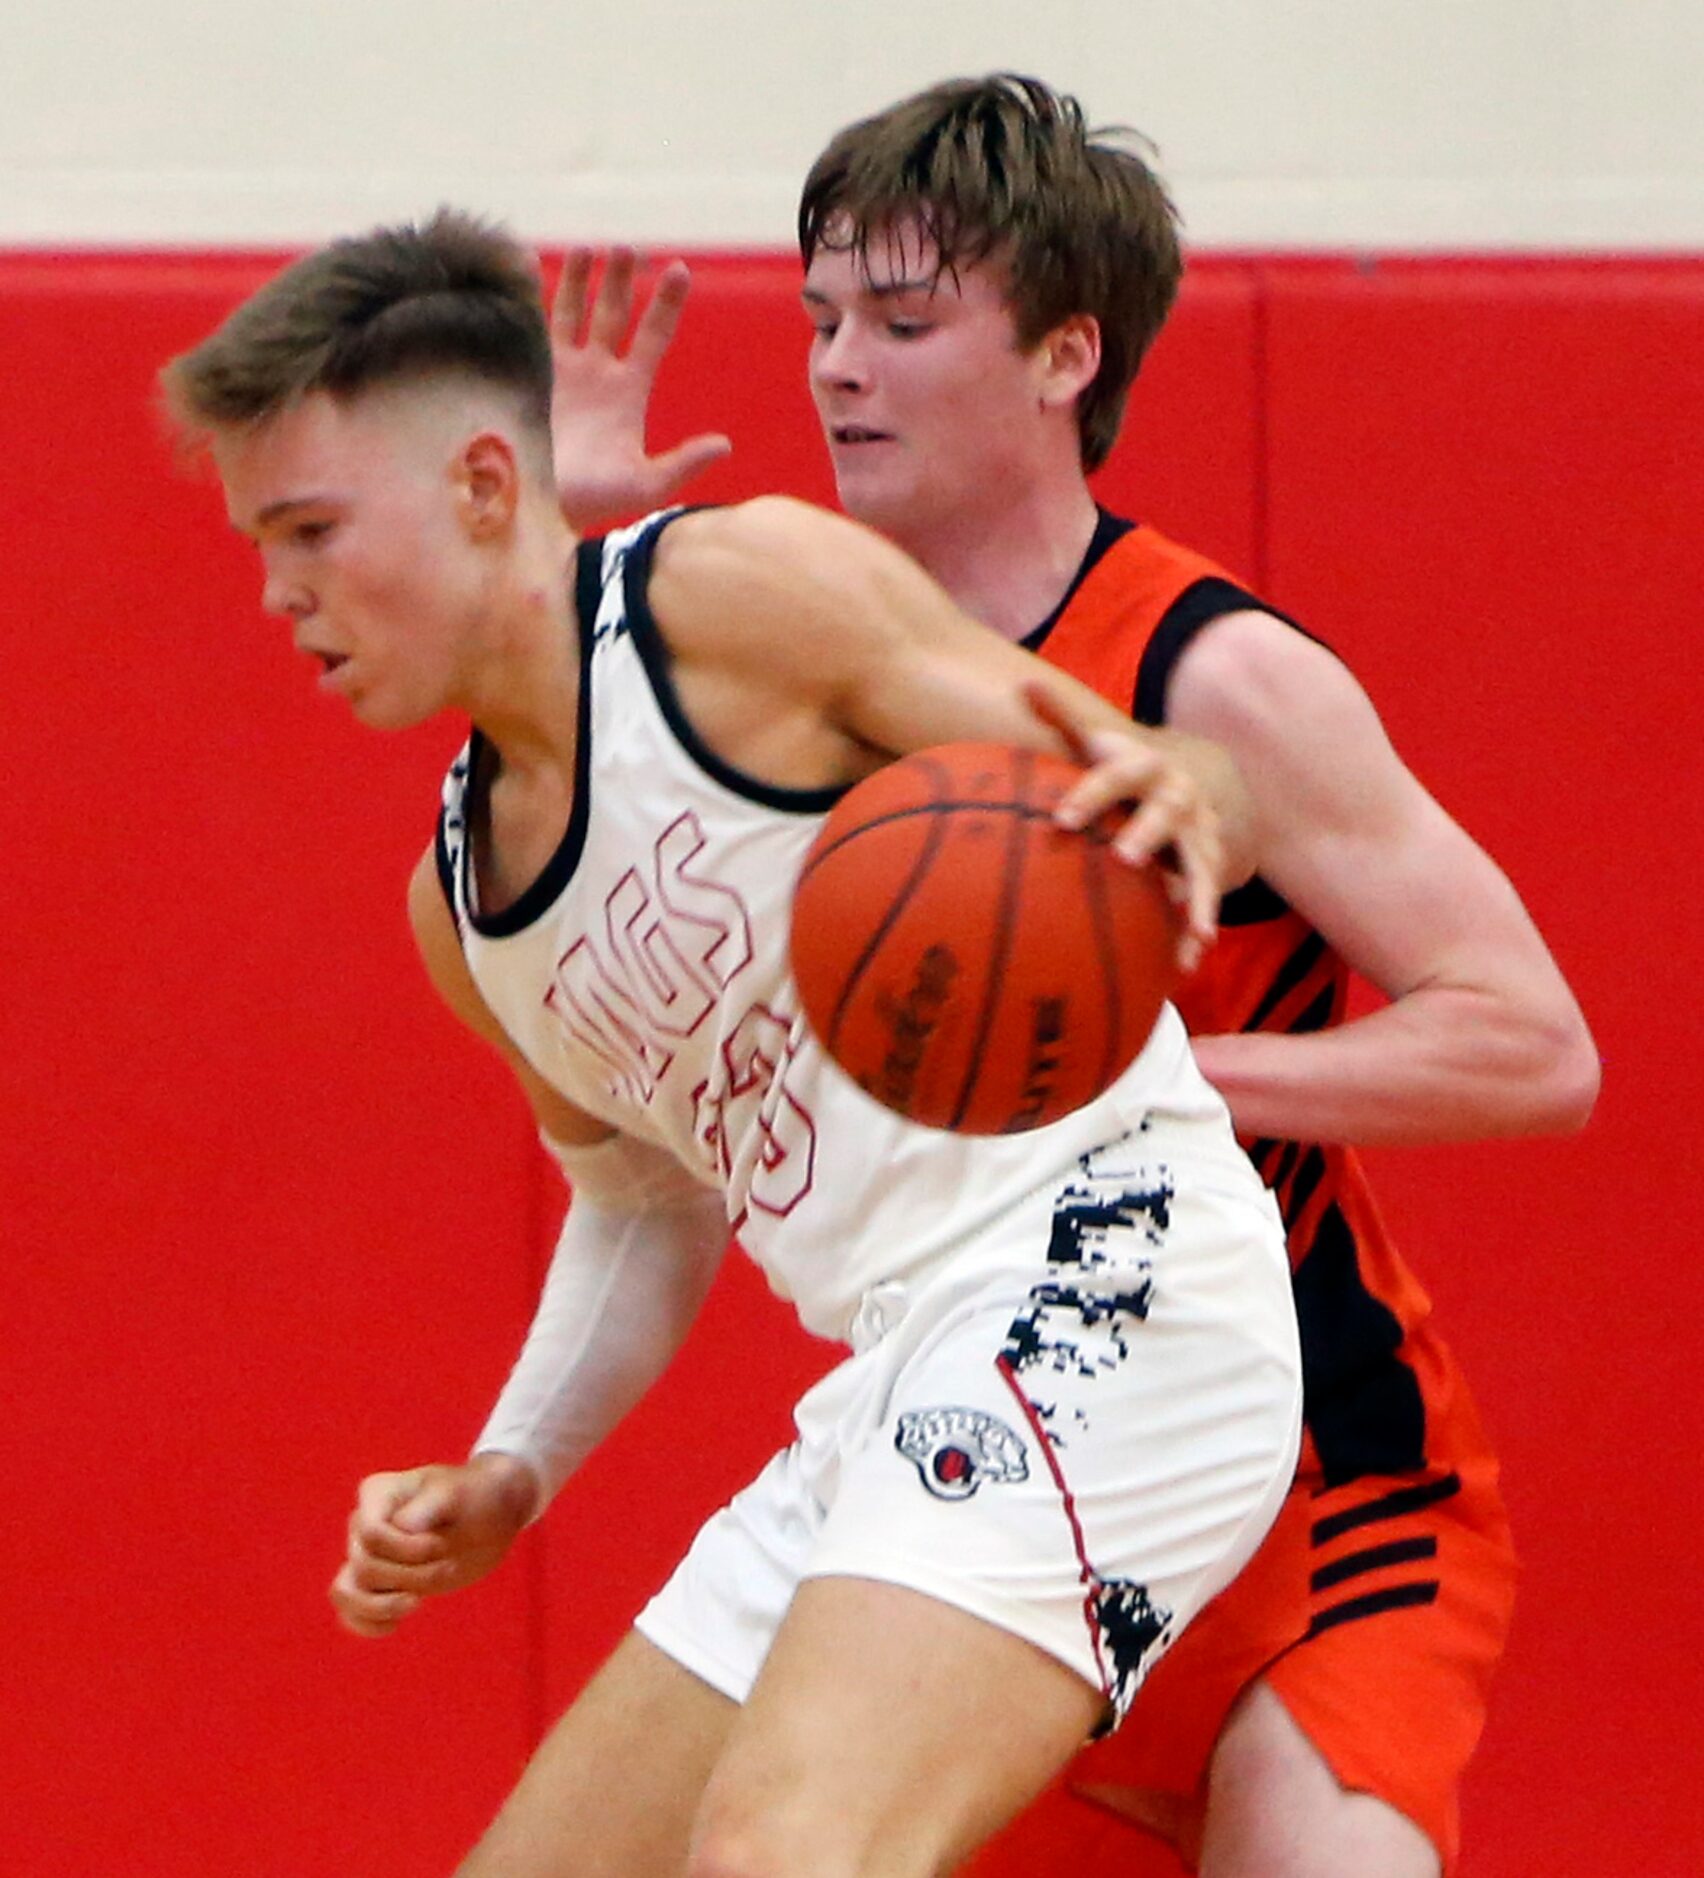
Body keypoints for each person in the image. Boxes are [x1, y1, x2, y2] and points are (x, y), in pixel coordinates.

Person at [162, 209, 1305, 1878]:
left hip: (1108, 1280)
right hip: (902, 1370)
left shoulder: (729, 596)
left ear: (488, 484)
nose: (279, 592)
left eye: (312, 529)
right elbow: (640, 1204)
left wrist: (1195, 789)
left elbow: (1153, 765)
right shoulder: (465, 908)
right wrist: (511, 1468)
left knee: (788, 1854)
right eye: (260, 545)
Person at [543, 76, 1601, 1877]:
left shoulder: (1217, 677)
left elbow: (1533, 1045)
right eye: (818, 320)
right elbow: (575, 889)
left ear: (1062, 355)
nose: (835, 368)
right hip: (999, 1443)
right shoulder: (793, 673)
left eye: (902, 318)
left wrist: (1133, 1072)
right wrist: (585, 592)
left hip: (1319, 1473)